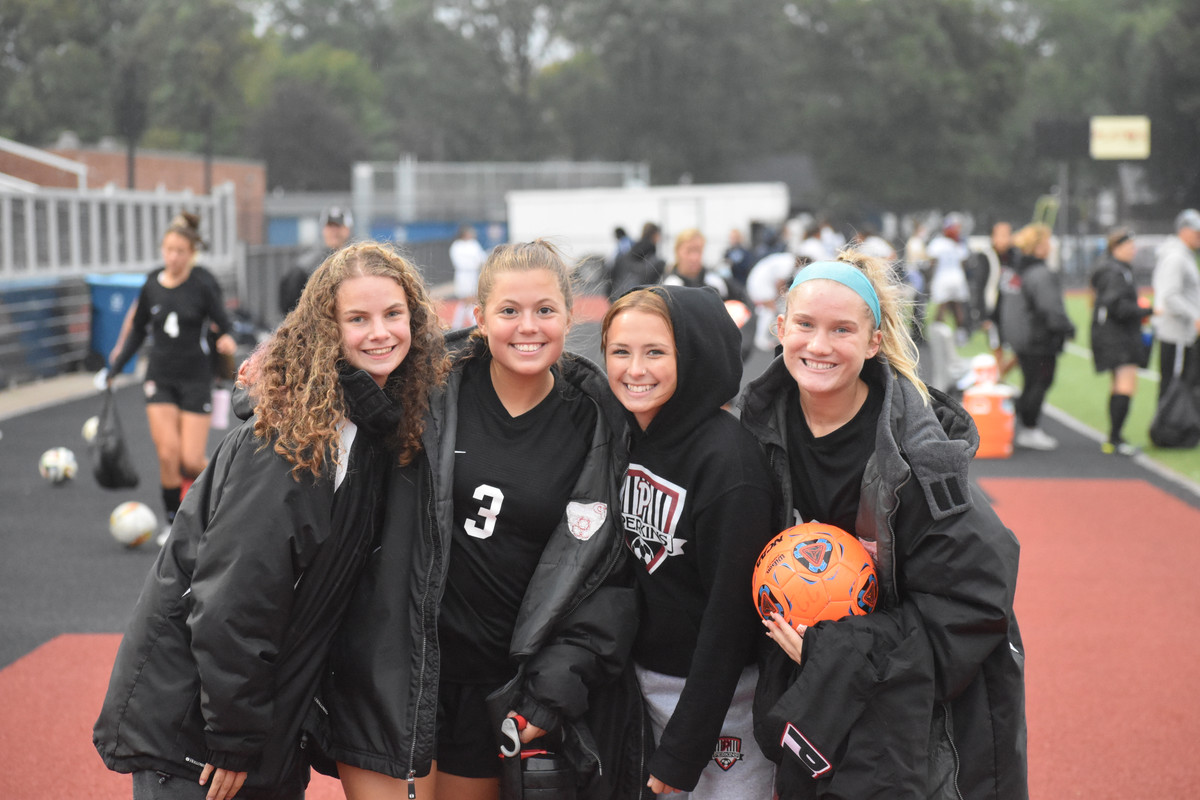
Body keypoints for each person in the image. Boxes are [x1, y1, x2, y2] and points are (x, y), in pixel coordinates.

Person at [94, 242, 448, 800]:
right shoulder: (292, 439)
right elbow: (232, 598)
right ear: (327, 330)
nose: (379, 332)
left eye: (393, 315)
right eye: (357, 318)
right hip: (203, 741)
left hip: (263, 724)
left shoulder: (367, 422)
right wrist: (232, 739)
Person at [328, 239, 638, 800]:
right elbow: (329, 385)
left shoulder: (596, 427)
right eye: (509, 311)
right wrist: (261, 379)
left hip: (493, 686)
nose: (528, 327)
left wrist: (548, 687)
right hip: (400, 666)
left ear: (571, 314)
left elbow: (599, 578)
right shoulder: (430, 387)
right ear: (479, 317)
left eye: (545, 310)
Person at [737, 253, 1027, 799]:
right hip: (812, 694)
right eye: (805, 325)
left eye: (842, 330)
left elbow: (977, 601)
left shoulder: (921, 460)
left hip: (911, 716)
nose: (819, 346)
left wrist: (834, 649)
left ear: (873, 341)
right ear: (780, 329)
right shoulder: (753, 432)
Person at [602, 285, 777, 798]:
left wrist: (685, 747)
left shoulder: (729, 464)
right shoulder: (624, 434)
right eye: (620, 352)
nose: (635, 369)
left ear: (695, 355)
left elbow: (730, 619)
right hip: (644, 688)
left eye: (655, 352)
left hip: (725, 702)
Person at [106, 212, 237, 541]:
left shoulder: (203, 283)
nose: (173, 257)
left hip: (196, 378)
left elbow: (226, 321)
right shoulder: (151, 283)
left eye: (180, 251)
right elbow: (137, 331)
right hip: (159, 377)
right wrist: (115, 368)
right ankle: (171, 521)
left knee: (191, 461)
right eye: (168, 249)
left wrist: (226, 339)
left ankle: (229, 492)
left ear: (191, 252)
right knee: (167, 453)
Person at [1000, 223, 1075, 451]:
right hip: (1037, 338)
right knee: (1040, 382)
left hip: (1020, 335)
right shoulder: (1040, 273)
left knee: (1031, 381)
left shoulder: (1015, 269)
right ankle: (1029, 428)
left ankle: (1020, 423)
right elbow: (1050, 307)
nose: (1051, 246)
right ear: (1039, 246)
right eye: (1047, 241)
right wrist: (1065, 328)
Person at [1090, 227, 1149, 455]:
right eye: (1130, 246)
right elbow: (1117, 307)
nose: (1133, 250)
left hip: (1113, 335)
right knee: (1125, 384)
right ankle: (1115, 438)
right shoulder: (1114, 272)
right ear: (1117, 247)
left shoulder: (1114, 269)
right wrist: (1146, 310)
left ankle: (1114, 438)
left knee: (1119, 384)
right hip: (1117, 336)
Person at [1151, 208, 1200, 401]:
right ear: (1184, 231)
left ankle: (1174, 427)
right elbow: (1170, 296)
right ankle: (1166, 428)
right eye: (1196, 231)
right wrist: (1195, 316)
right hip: (1176, 333)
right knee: (1173, 387)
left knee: (1180, 385)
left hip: (1182, 333)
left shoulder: (1184, 255)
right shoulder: (1176, 257)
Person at [278, 205, 353, 317]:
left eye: (338, 226)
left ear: (347, 230)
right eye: (330, 226)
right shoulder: (304, 267)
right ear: (323, 230)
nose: (334, 231)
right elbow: (289, 306)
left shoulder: (357, 262)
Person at [978, 222, 1019, 379]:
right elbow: (979, 286)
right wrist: (982, 315)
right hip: (994, 313)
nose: (1005, 239)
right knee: (997, 349)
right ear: (993, 237)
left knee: (1021, 352)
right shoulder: (987, 256)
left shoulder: (1015, 256)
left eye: (1008, 234)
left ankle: (997, 379)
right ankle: (997, 381)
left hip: (1013, 312)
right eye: (1001, 235)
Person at [926, 213, 971, 342]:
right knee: (957, 307)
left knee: (942, 307)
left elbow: (932, 262)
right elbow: (963, 262)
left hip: (942, 278)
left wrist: (929, 279)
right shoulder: (959, 243)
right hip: (957, 278)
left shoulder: (938, 242)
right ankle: (961, 337)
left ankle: (936, 335)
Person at [610, 222, 666, 300]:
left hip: (620, 297)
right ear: (655, 235)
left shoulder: (627, 252)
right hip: (639, 299)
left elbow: (612, 272)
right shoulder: (655, 261)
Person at [449, 224, 488, 329]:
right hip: (463, 275)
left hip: (472, 275)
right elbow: (459, 262)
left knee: (469, 300)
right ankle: (469, 323)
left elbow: (481, 258)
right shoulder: (456, 245)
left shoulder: (474, 244)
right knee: (465, 300)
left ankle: (460, 324)